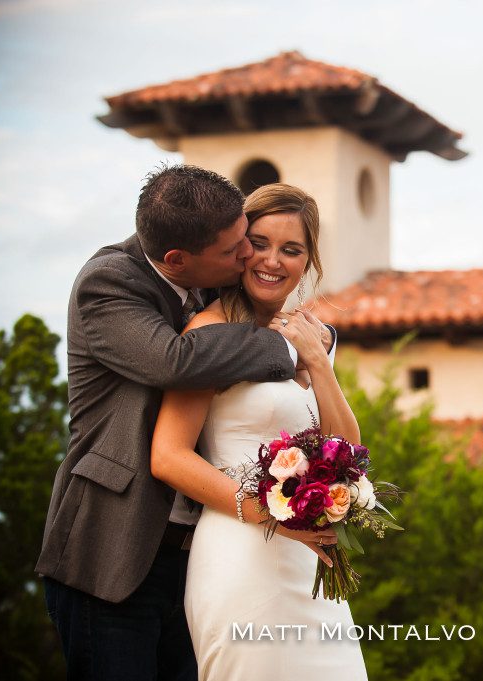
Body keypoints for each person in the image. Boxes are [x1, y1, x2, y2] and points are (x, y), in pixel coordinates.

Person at [36, 165, 338, 681]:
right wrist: (298, 346)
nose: (249, 256)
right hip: (114, 549)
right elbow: (176, 362)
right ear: (178, 260)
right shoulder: (109, 281)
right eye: (237, 249)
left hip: (203, 551)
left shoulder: (204, 281)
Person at [150, 183, 369, 679]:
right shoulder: (206, 334)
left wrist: (317, 358)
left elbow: (347, 451)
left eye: (291, 249)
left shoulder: (315, 337)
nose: (272, 260)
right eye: (260, 243)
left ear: (309, 261)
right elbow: (168, 455)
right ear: (238, 248)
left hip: (308, 561)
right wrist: (274, 517)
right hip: (239, 554)